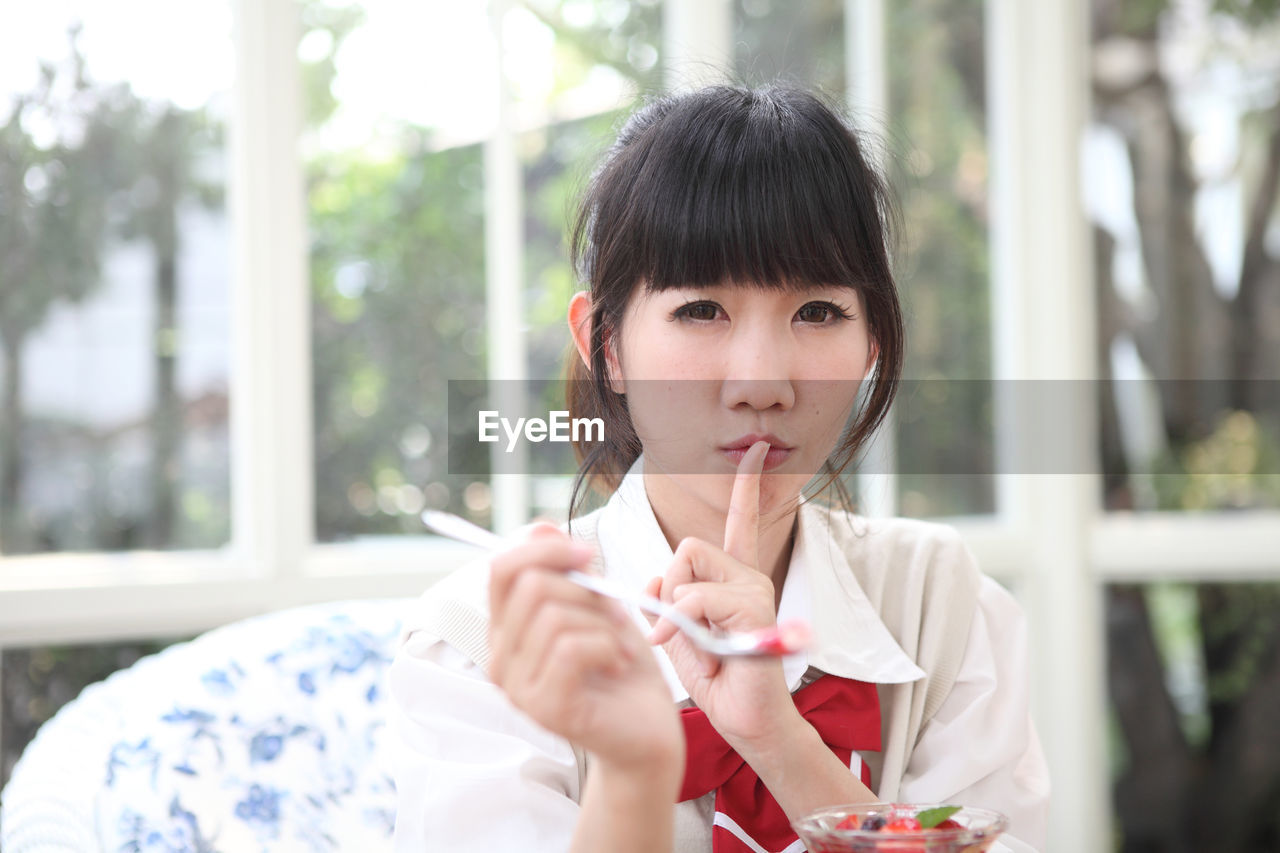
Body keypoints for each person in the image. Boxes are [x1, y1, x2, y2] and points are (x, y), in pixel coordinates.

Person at [389, 84, 1050, 853]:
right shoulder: (481, 641)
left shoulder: (941, 604)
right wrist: (634, 773)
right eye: (701, 309)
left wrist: (780, 739)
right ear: (606, 345)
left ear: (873, 340)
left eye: (818, 312)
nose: (762, 381)